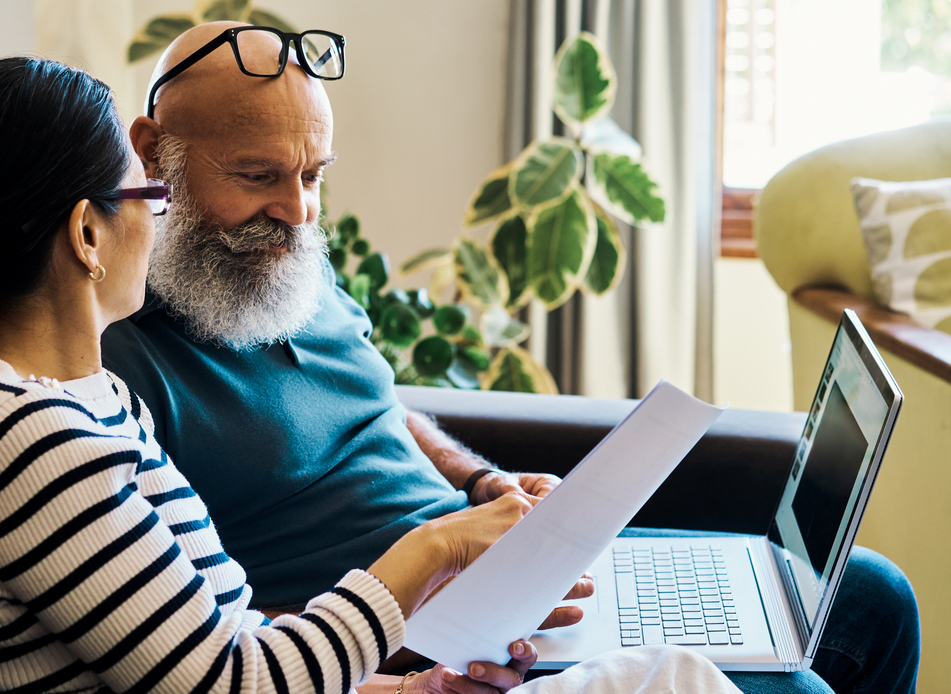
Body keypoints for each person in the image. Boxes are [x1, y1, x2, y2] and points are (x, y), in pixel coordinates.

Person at [0, 56, 741, 694]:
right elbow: (233, 681)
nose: (159, 220)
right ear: (87, 234)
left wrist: (414, 691)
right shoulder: (26, 444)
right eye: (146, 195)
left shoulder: (79, 406)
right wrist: (440, 546)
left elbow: (216, 642)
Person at [102, 21, 921, 694]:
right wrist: (410, 625)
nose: (296, 210)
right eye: (256, 175)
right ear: (152, 149)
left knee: (876, 595)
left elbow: (379, 406)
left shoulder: (285, 259)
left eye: (313, 174)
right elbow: (200, 636)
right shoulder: (116, 355)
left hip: (498, 569)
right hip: (416, 641)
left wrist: (483, 483)